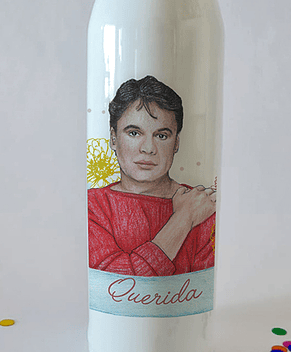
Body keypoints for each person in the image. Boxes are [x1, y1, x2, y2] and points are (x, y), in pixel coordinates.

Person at [88, 75, 216, 277]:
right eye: (134, 133)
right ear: (113, 138)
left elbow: (205, 285)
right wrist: (184, 218)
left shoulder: (202, 204)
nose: (148, 148)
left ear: (176, 143)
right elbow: (116, 281)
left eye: (161, 136)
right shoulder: (92, 206)